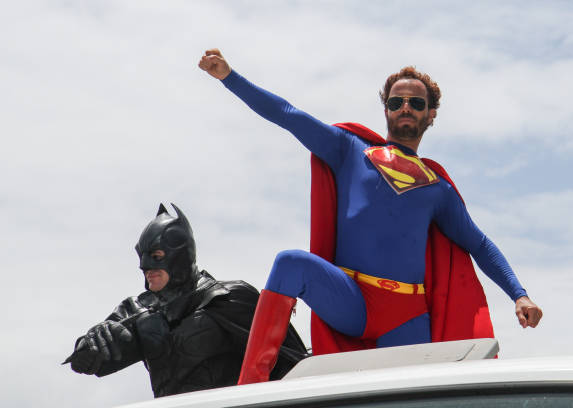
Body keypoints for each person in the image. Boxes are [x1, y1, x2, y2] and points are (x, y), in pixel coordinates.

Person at [198, 49, 543, 385]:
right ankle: (251, 386)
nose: (405, 107)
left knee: (410, 398)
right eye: (396, 102)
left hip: (406, 314)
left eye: (416, 103)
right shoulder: (349, 149)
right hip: (352, 299)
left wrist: (519, 294)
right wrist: (230, 78)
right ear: (386, 109)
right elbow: (288, 114)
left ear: (431, 114)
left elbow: (478, 243)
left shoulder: (438, 189)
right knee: (290, 264)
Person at [64, 203, 307, 397]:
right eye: (143, 257)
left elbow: (297, 366)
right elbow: (88, 362)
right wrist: (90, 343)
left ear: (179, 255)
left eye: (156, 256)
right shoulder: (137, 310)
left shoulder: (230, 298)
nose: (145, 266)